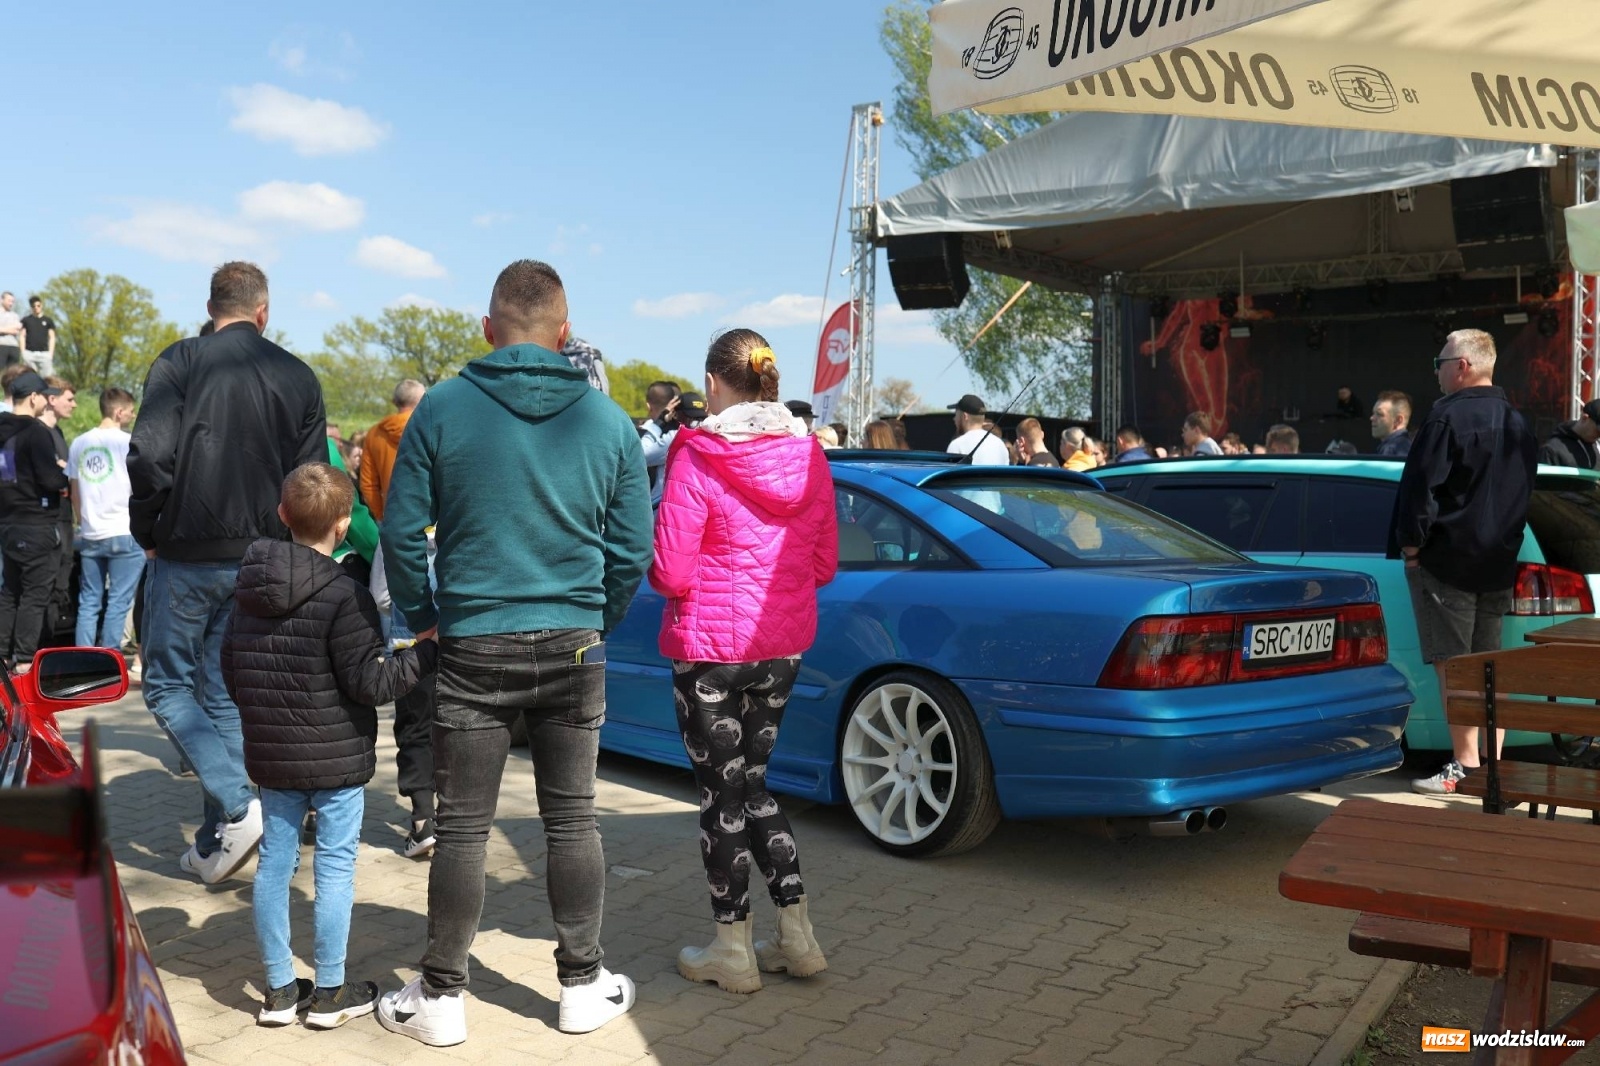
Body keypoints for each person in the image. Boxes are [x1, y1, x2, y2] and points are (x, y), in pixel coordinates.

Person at [377, 259, 652, 1045]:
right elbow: (633, 546)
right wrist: (596, 617)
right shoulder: (607, 420)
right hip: (574, 642)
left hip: (473, 639)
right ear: (565, 333)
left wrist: (426, 616)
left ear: (487, 328)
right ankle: (582, 985)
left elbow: (401, 530)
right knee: (572, 819)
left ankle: (441, 999)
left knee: (463, 827)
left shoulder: (442, 407)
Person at [650, 329, 837, 995]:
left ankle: (732, 951)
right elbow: (823, 565)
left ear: (712, 382)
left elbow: (672, 571)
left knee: (721, 798)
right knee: (755, 787)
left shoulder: (696, 452)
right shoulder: (809, 454)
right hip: (780, 648)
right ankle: (798, 938)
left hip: (710, 653)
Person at [128, 261, 327, 886]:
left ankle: (240, 809)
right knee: (220, 697)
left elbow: (149, 454)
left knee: (166, 688)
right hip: (260, 554)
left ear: (212, 307)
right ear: (263, 312)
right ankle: (217, 841)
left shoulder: (180, 361)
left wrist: (147, 530)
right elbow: (311, 480)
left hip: (186, 551)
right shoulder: (297, 374)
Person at [222, 463, 438, 1031]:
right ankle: (330, 990)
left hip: (272, 753)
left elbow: (231, 671)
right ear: (343, 525)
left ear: (283, 514)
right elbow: (371, 684)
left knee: (275, 865)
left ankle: (278, 990)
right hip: (337, 755)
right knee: (335, 869)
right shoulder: (346, 594)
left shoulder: (247, 589)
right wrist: (426, 652)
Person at [1396, 330, 1537, 796]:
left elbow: (1420, 491)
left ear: (1462, 366)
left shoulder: (1445, 418)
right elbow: (1523, 497)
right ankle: (1491, 766)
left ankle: (1464, 765)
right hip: (1496, 564)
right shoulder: (1518, 422)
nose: (1436, 372)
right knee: (1488, 667)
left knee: (1454, 668)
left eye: (1439, 362)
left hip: (1447, 562)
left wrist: (1412, 549)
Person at [0, 371, 68, 670]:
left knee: (9, 592)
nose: (47, 401)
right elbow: (50, 479)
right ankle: (25, 661)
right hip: (37, 522)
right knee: (34, 595)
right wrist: (62, 473)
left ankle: (3, 657)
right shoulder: (36, 431)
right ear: (33, 397)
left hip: (8, 521)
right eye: (44, 396)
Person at [69, 388, 144, 649]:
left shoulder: (79, 443)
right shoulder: (130, 442)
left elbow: (74, 491)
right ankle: (109, 663)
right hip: (124, 531)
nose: (133, 416)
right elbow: (141, 487)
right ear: (118, 411)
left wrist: (82, 522)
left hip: (91, 533)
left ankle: (82, 660)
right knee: (118, 602)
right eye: (131, 411)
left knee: (89, 601)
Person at [360, 380, 425, 524]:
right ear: (422, 400)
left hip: (392, 517)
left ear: (395, 401)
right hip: (428, 518)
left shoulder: (374, 433)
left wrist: (382, 516)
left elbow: (368, 484)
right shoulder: (429, 427)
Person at [639, 380, 682, 501]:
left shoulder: (673, 435)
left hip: (657, 506)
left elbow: (640, 456)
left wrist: (658, 423)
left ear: (648, 406)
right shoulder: (685, 430)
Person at [1537, 398, 1600, 470]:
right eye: (1597, 430)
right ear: (1584, 418)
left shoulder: (1596, 448)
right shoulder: (1551, 450)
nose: (1599, 435)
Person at [946, 395, 1010, 466]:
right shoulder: (1000, 445)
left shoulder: (956, 445)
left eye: (956, 415)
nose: (954, 419)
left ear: (965, 416)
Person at [1371, 390, 1415, 458]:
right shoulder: (1406, 445)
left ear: (1398, 420)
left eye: (1379, 414)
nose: (1372, 418)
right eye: (1373, 413)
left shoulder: (1392, 449)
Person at [20, 297, 55, 378]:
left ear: (41, 305)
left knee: (47, 378)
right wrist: (23, 352)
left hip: (44, 354)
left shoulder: (48, 320)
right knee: (29, 377)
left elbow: (52, 337)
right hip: (29, 353)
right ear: (31, 307)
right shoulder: (26, 320)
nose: (36, 308)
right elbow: (22, 336)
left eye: (38, 305)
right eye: (34, 306)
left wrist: (51, 353)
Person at [0, 293, 21, 367]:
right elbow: (14, 329)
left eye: (12, 301)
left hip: (14, 346)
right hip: (1, 345)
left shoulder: (15, 315)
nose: (11, 303)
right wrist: (11, 328)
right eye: (9, 301)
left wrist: (3, 329)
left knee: (13, 371)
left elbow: (17, 330)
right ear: (2, 300)